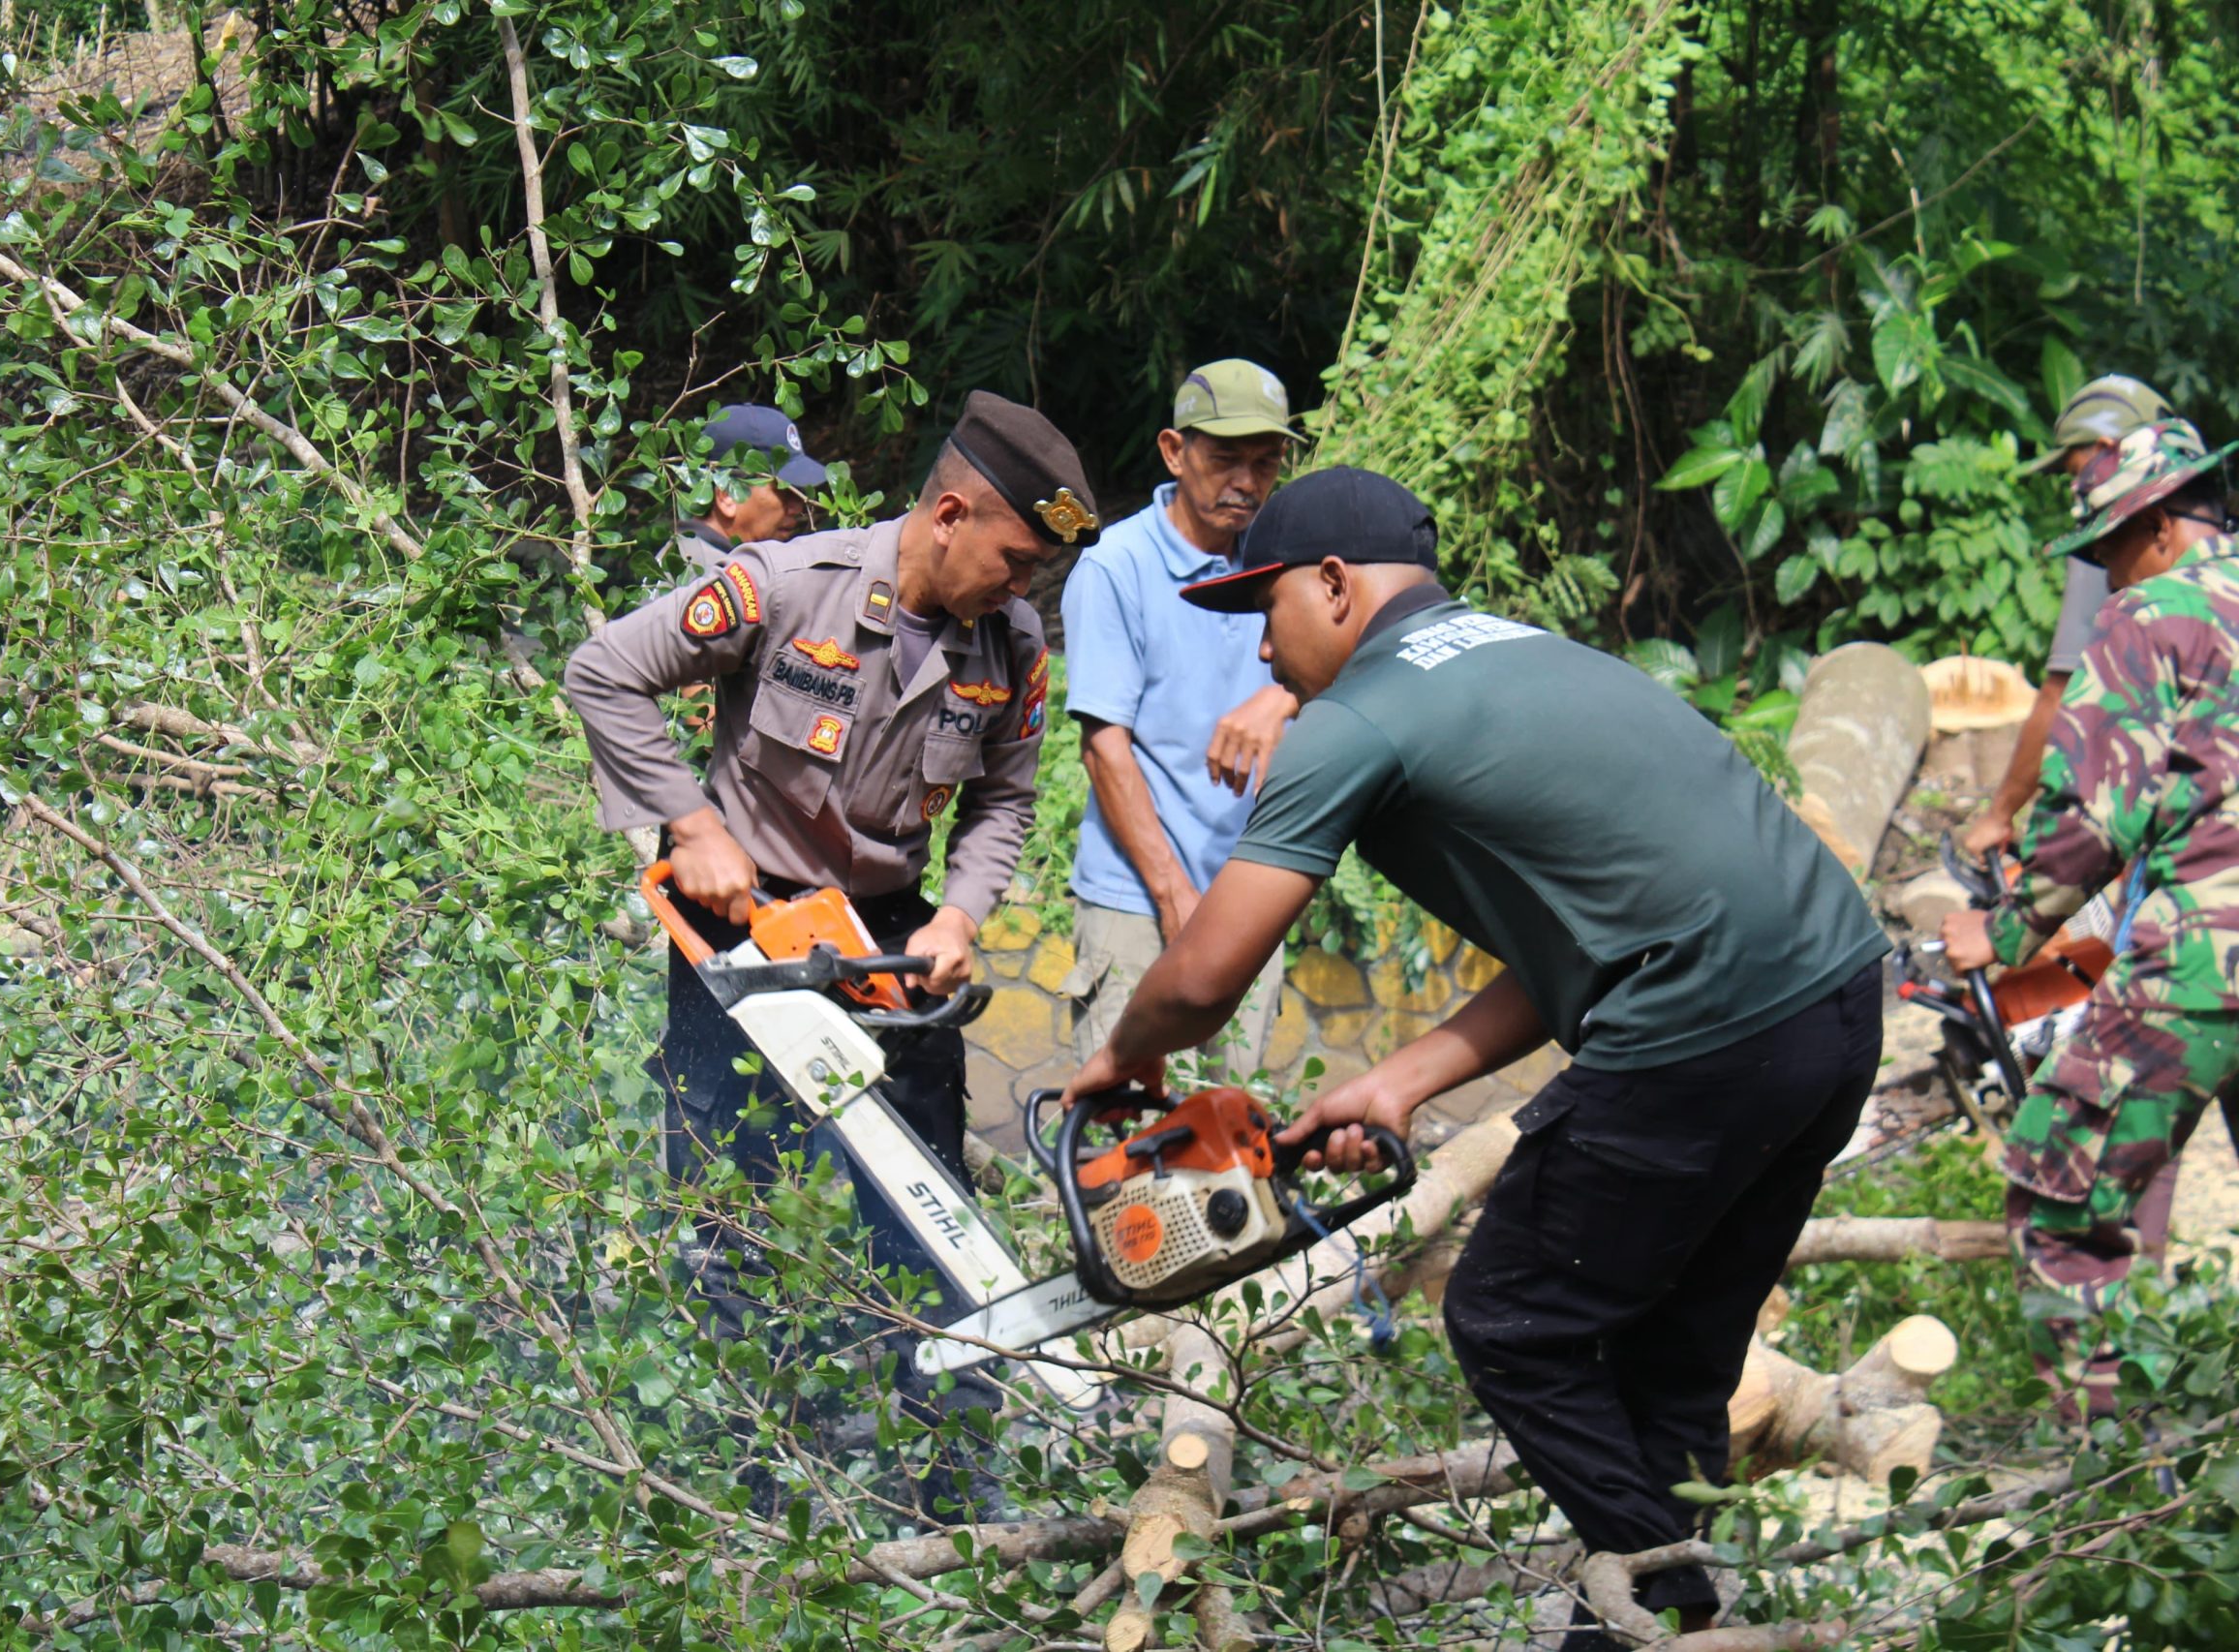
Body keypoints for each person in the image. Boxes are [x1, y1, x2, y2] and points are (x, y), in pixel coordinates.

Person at [1060, 468, 1887, 1646]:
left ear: (1335, 585)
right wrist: (1396, 1082)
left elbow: (1200, 978)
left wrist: (1126, 1057)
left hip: (1705, 1026)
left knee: (1509, 1311)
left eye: (1266, 612)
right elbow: (1584, 942)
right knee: (1674, 1356)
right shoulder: (1530, 655)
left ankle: (1684, 1617)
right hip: (1833, 998)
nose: (1260, 654)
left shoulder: (1356, 713)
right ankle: (1638, 1625)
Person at [565, 390, 1095, 1323]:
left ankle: (944, 1437)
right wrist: (694, 829)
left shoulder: (1012, 645)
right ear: (948, 515)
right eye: (1014, 562)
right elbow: (604, 671)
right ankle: (737, 1443)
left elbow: (1005, 798)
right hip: (743, 927)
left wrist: (959, 915)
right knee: (728, 1208)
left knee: (930, 1219)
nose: (1021, 588)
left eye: (1034, 572)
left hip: (891, 942)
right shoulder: (788, 584)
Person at [1941, 419, 2239, 1418]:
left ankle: (2118, 1487)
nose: (2105, 577)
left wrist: (2007, 928)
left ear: (2156, 525)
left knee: (2065, 1197)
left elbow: (2099, 812)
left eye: (2108, 548)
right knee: (2141, 1161)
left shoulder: (2151, 612)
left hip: (2212, 946)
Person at [1060, 359, 1300, 1078]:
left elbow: (1358, 665)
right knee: (1128, 1150)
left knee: (1228, 1138)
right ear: (1174, 451)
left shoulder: (1283, 562)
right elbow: (1106, 749)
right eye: (1225, 458)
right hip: (1138, 899)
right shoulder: (1116, 567)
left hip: (1250, 897)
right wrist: (1173, 896)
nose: (1247, 482)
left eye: (1265, 462)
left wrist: (1280, 694)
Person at [1960, 375, 2175, 857]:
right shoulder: (2205, 521)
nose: (2076, 490)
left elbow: (2060, 695)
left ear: (2106, 449)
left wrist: (2000, 815)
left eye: (2076, 471)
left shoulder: (2115, 534)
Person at [672, 402, 830, 574]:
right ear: (727, 496)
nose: (797, 507)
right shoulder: (712, 581)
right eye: (782, 490)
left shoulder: (688, 556)